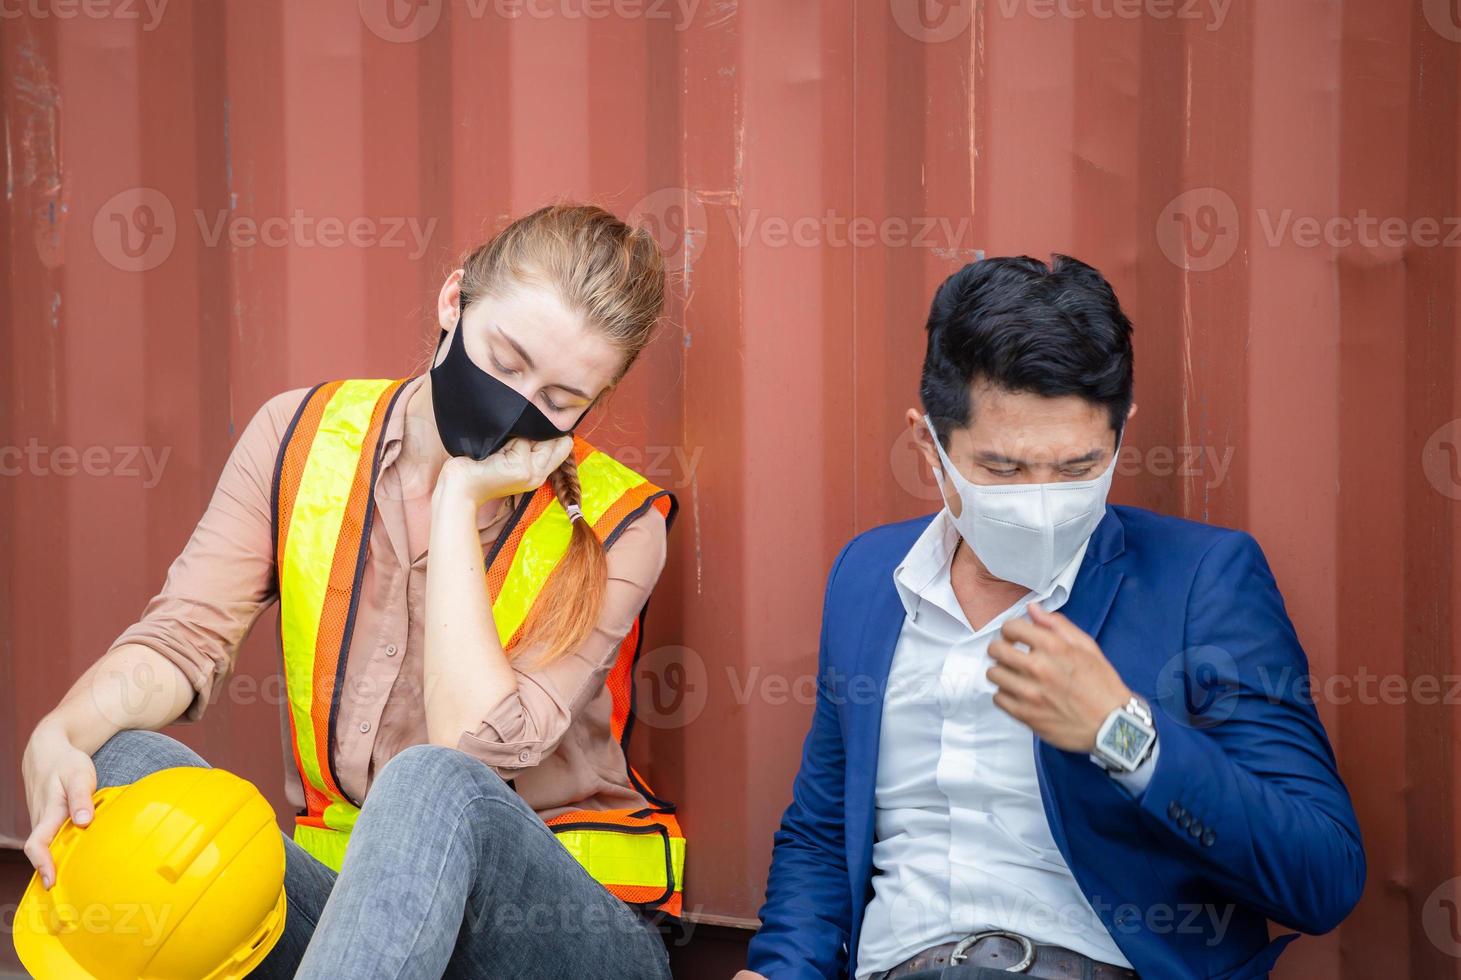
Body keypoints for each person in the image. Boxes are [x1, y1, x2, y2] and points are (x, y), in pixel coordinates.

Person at [21, 204, 684, 979]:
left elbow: (468, 746)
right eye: (505, 361)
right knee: (122, 758)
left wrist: (455, 499)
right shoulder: (298, 434)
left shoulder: (618, 524)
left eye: (562, 400)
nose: (518, 408)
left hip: (550, 938)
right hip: (353, 920)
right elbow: (183, 639)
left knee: (434, 781)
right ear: (453, 300)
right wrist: (61, 732)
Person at [740, 256, 1365, 979]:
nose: (1040, 500)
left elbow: (1321, 877)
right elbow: (822, 833)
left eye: (1075, 469)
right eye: (1002, 470)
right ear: (928, 446)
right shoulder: (867, 578)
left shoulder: (1202, 581)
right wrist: (776, 969)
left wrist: (1122, 734)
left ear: (1120, 435)